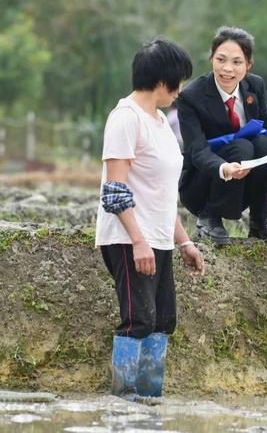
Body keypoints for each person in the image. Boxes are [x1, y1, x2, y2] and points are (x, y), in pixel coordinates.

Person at [95, 37, 205, 399]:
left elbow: (162, 195)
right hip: (129, 239)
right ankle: (124, 403)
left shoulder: (159, 121)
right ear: (162, 81)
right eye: (179, 82)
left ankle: (149, 400)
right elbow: (115, 191)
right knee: (138, 320)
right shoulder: (125, 119)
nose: (180, 90)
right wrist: (139, 241)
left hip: (159, 238)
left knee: (162, 322)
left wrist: (184, 241)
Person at [177, 26, 267, 245]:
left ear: (248, 65)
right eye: (221, 60)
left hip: (243, 178)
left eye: (237, 62)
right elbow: (196, 150)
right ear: (211, 58)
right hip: (202, 183)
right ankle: (209, 218)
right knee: (243, 147)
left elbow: (265, 127)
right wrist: (223, 168)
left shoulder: (255, 86)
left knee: (266, 145)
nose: (227, 69)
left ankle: (259, 222)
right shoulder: (191, 97)